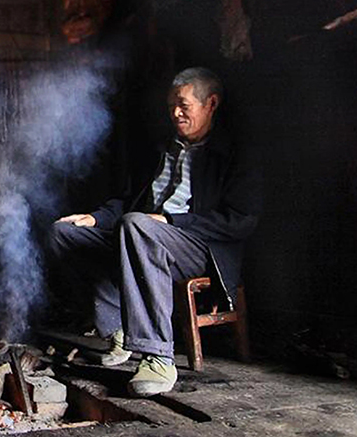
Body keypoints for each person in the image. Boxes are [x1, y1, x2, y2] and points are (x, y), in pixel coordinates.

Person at [47, 67, 259, 396]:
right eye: (172, 105)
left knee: (137, 225)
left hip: (198, 247)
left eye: (184, 106)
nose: (175, 113)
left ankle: (158, 356)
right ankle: (116, 325)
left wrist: (173, 223)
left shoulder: (233, 153)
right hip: (140, 235)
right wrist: (96, 218)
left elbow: (241, 220)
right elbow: (130, 200)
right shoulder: (163, 149)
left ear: (211, 104)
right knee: (63, 232)